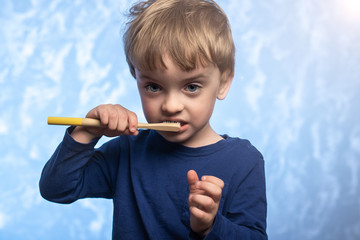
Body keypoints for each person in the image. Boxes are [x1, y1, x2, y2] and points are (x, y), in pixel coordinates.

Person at [39, 0, 267, 239]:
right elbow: (56, 189)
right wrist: (87, 132)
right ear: (135, 77)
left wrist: (210, 226)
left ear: (223, 83)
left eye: (191, 86)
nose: (170, 106)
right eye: (154, 87)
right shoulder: (127, 151)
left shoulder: (244, 161)